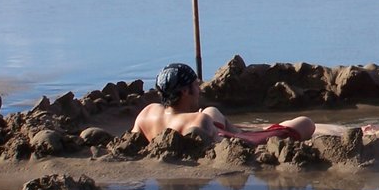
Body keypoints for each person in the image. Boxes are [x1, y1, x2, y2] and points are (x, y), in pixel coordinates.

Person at [133, 63, 315, 145]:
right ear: (185, 92)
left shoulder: (147, 113)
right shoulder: (198, 120)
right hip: (232, 140)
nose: (200, 90)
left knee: (212, 110)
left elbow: (132, 142)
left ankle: (240, 129)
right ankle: (256, 131)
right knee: (306, 122)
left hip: (210, 130)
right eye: (196, 85)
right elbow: (229, 147)